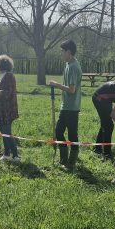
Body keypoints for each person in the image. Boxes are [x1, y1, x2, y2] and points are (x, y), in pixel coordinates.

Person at [49, 40, 82, 171]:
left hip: (71, 107)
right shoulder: (69, 64)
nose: (61, 54)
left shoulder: (73, 66)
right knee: (59, 132)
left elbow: (72, 89)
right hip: (66, 105)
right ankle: (63, 160)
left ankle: (71, 163)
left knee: (72, 135)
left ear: (69, 52)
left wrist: (56, 85)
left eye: (62, 51)